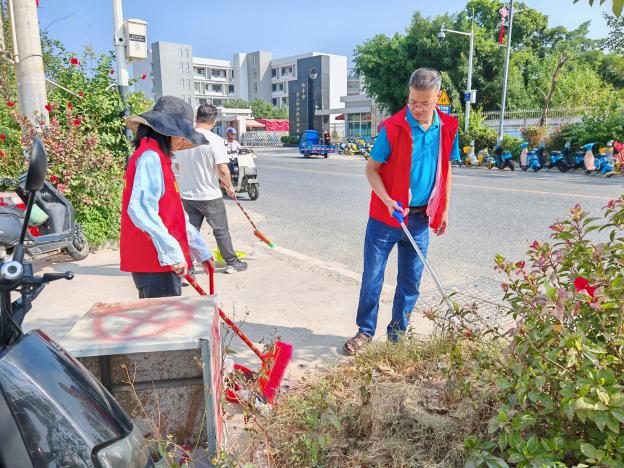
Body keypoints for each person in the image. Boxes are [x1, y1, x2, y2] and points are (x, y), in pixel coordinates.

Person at [343, 68, 461, 355]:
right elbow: (371, 170)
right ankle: (365, 331)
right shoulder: (393, 127)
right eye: (412, 101)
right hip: (386, 218)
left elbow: (446, 168)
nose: (417, 108)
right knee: (373, 277)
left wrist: (444, 209)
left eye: (424, 103)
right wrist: (386, 200)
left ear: (437, 98)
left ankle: (397, 335)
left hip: (419, 220)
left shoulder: (447, 127)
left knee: (411, 282)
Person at [121, 96, 215, 298]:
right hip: (155, 261)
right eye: (181, 135)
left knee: (163, 314)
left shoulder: (159, 157)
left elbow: (175, 216)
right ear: (165, 131)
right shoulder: (150, 157)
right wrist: (171, 253)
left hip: (163, 260)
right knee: (164, 316)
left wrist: (200, 251)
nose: (182, 142)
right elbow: (141, 209)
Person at [173, 105, 247, 275]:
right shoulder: (214, 140)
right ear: (214, 121)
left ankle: (189, 268)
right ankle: (232, 262)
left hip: (187, 195)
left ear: (196, 119)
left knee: (190, 233)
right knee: (220, 230)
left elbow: (175, 167)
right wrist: (229, 186)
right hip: (209, 195)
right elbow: (222, 169)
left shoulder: (182, 140)